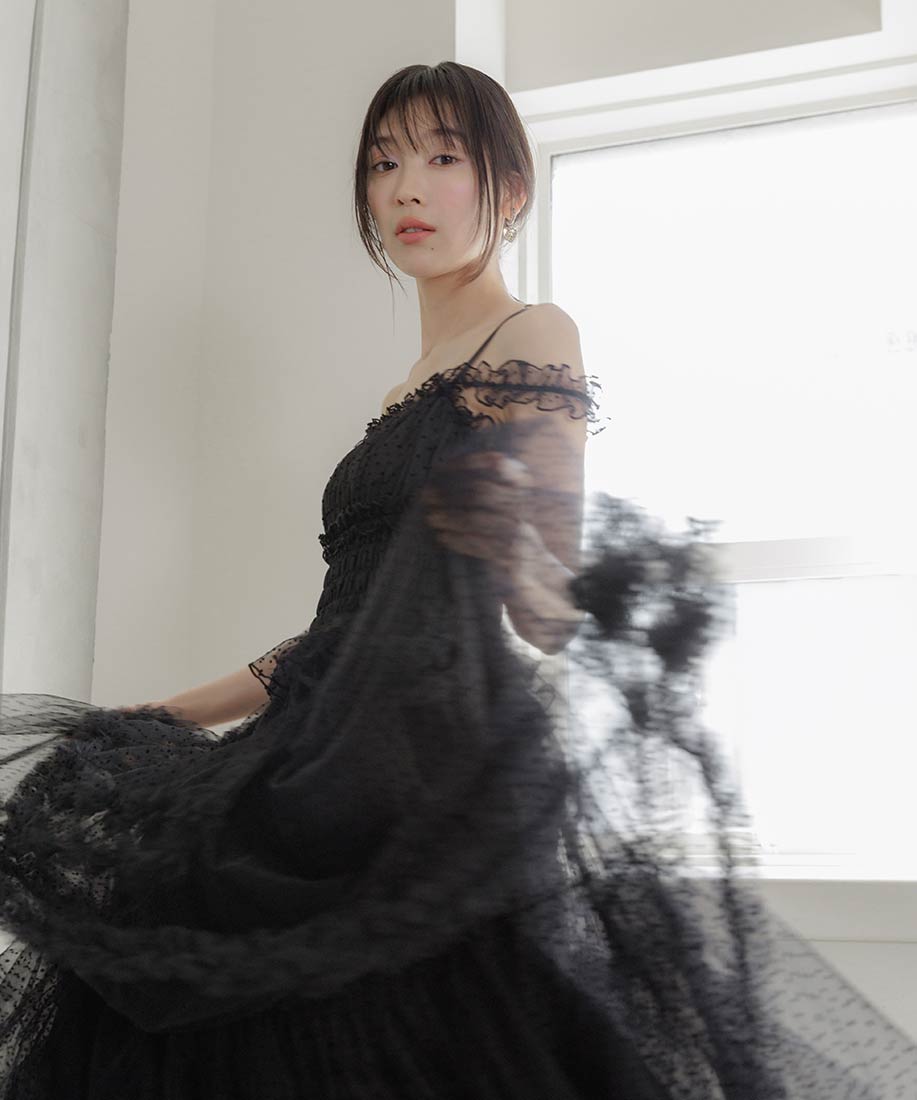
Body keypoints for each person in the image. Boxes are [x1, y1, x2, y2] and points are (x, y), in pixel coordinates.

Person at [1, 60, 916, 1100]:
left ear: (508, 188)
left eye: (442, 158)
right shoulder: (404, 388)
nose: (406, 188)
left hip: (429, 759)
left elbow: (542, 604)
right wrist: (173, 708)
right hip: (323, 746)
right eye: (383, 163)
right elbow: (342, 628)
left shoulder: (530, 335)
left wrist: (553, 556)